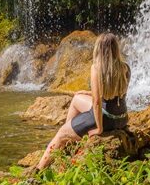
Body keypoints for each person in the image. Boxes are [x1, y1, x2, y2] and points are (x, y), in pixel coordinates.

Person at [34, 32, 130, 170]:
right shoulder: (125, 67)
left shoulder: (96, 68)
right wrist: (88, 92)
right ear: (116, 48)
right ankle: (70, 139)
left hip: (106, 119)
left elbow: (97, 102)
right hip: (122, 118)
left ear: (99, 49)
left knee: (61, 134)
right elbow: (118, 94)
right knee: (77, 98)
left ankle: (38, 170)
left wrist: (99, 128)